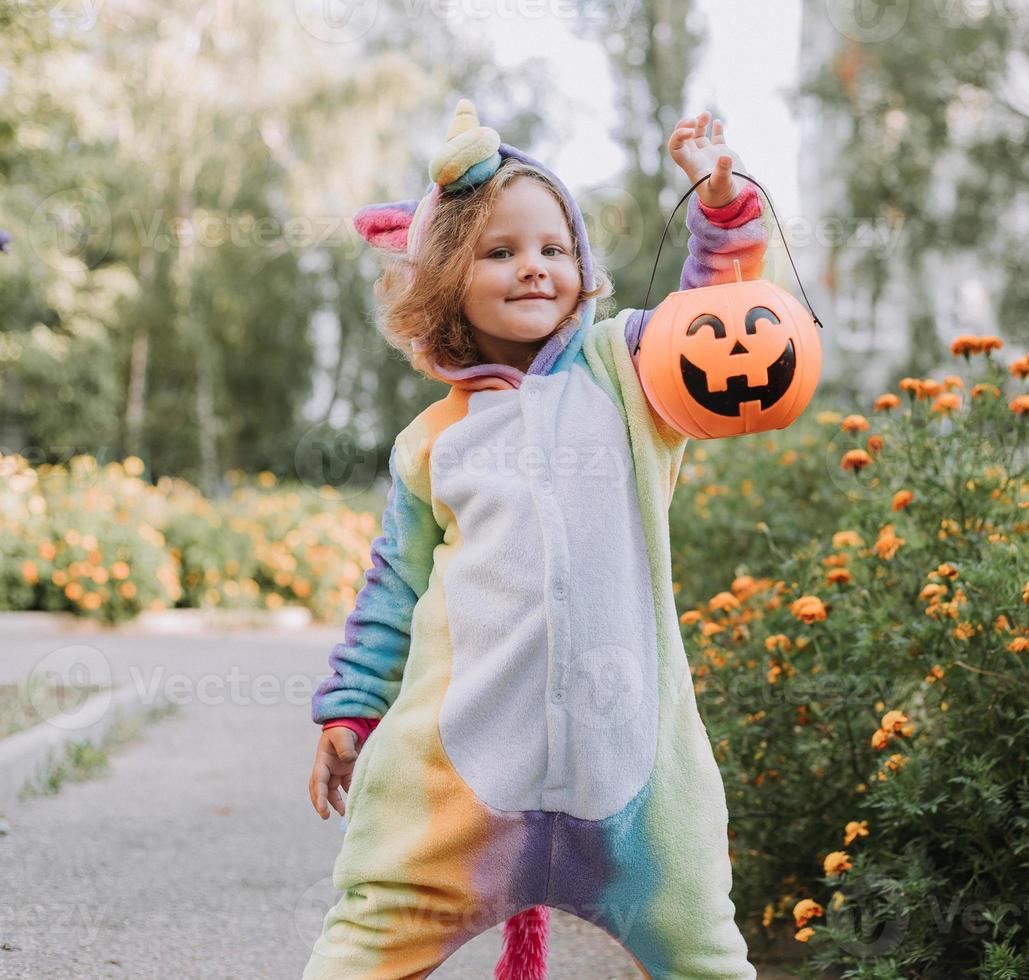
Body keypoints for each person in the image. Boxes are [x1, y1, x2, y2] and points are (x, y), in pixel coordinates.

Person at [302, 98, 769, 979]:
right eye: (501, 250)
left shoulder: (627, 376)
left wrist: (720, 208)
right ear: (446, 276)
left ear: (582, 265)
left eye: (554, 249)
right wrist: (350, 707)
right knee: (361, 950)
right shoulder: (432, 441)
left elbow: (722, 327)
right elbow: (392, 590)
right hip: (456, 792)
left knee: (705, 957)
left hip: (636, 790)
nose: (533, 269)